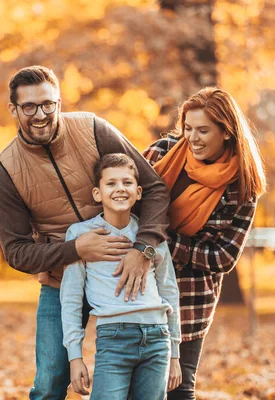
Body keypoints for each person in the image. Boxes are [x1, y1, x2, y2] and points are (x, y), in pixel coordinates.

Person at [0, 65, 170, 399]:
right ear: (13, 110)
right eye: (29, 107)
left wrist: (143, 249)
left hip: (122, 272)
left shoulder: (93, 128)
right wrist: (77, 249)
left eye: (48, 104)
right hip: (62, 280)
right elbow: (16, 252)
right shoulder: (6, 171)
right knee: (48, 384)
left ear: (59, 101)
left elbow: (154, 189)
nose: (41, 114)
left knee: (137, 379)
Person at [143, 87, 267, 400]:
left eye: (203, 130)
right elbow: (126, 203)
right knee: (136, 386)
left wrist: (164, 242)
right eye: (187, 128)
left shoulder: (242, 186)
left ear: (226, 132)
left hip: (190, 298)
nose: (193, 138)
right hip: (140, 288)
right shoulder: (162, 154)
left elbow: (224, 257)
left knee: (180, 390)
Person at [61, 154, 182, 399]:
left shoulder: (149, 234)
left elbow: (169, 290)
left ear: (138, 192)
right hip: (113, 339)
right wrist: (75, 357)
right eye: (111, 183)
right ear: (97, 193)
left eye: (127, 183)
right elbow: (71, 299)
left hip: (157, 338)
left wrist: (175, 354)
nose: (120, 189)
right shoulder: (81, 234)